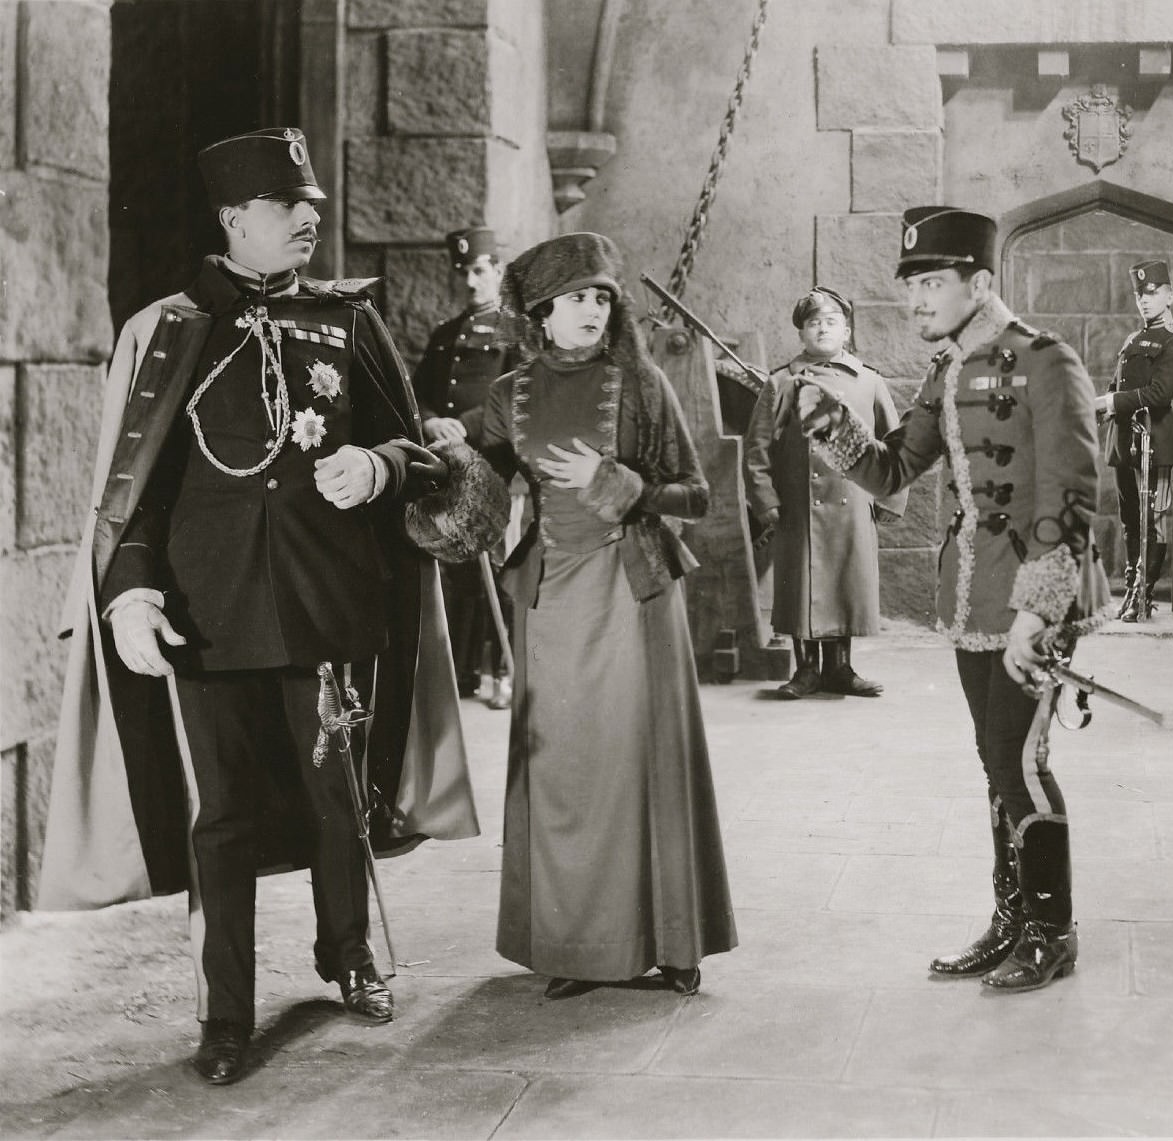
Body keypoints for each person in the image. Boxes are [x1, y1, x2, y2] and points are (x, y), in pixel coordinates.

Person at [37, 127, 480, 1087]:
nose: (311, 219)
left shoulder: (349, 320)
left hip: (328, 608)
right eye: (291, 208)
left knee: (336, 803)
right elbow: (131, 488)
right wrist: (133, 591)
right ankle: (225, 1014)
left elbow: (424, 455)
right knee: (222, 818)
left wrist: (379, 465)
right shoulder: (164, 329)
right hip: (208, 613)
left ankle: (347, 956)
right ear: (237, 219)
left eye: (313, 206)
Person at [414, 231, 736, 998]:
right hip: (551, 601)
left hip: (633, 593)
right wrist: (435, 456)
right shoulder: (509, 395)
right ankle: (576, 946)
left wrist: (620, 483)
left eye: (601, 297)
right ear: (542, 313)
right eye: (575, 299)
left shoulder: (644, 383)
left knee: (639, 760)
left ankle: (671, 944)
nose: (591, 311)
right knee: (564, 771)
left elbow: (696, 495)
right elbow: (474, 480)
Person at [797, 206, 1107, 992]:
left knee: (1023, 764)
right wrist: (829, 426)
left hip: (1035, 598)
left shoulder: (1046, 360)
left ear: (981, 281)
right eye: (911, 286)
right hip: (975, 596)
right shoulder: (947, 372)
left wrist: (1037, 614)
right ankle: (1010, 922)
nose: (917, 301)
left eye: (932, 283)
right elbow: (893, 469)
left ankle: (1052, 930)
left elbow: (1071, 497)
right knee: (997, 764)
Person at [742, 286, 907, 698]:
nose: (822, 329)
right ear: (801, 333)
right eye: (813, 323)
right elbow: (757, 448)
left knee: (844, 585)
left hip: (853, 505)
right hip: (799, 507)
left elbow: (897, 444)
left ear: (846, 331)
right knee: (802, 587)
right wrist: (766, 501)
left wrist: (889, 498)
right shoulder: (781, 382)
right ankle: (806, 671)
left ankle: (841, 669)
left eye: (831, 322)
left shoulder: (868, 381)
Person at [411, 226, 520, 704]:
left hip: (497, 465)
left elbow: (520, 394)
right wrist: (433, 422)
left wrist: (465, 426)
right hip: (450, 469)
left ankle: (505, 674)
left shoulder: (515, 331)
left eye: (479, 271)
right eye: (463, 274)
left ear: (497, 270)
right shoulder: (445, 334)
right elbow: (418, 395)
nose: (471, 282)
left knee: (500, 568)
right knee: (456, 568)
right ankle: (461, 676)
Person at [1094, 260, 1173, 621]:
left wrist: (1110, 402)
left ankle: (1142, 590)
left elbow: (1161, 392)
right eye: (1140, 295)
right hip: (1123, 442)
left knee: (1155, 520)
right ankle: (1134, 583)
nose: (1145, 301)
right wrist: (1102, 407)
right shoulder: (1132, 340)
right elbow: (1118, 385)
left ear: (1168, 295)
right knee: (1131, 520)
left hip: (1155, 444)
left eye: (1152, 294)